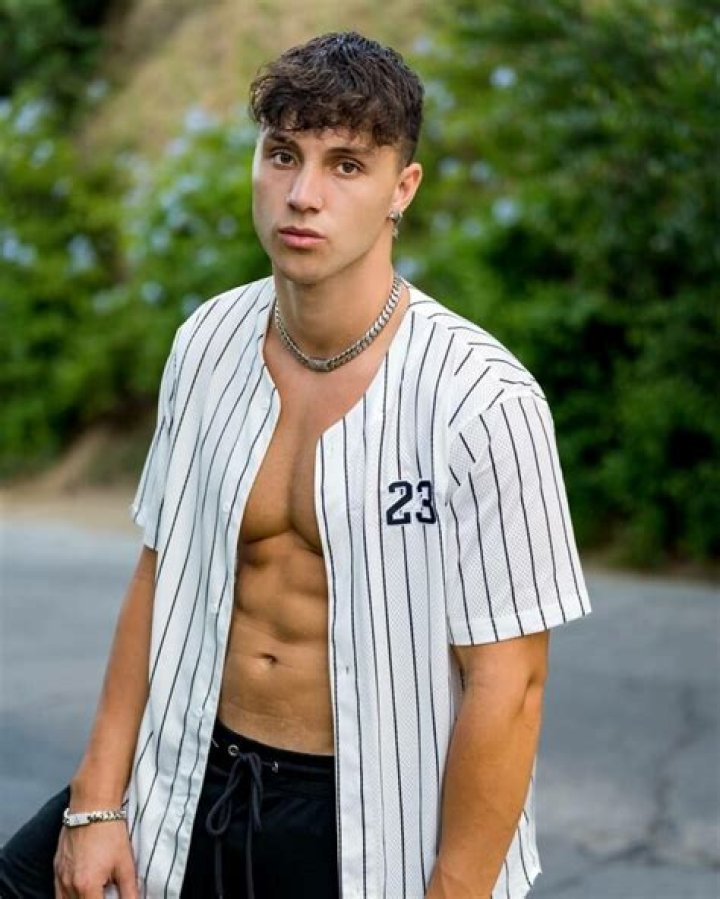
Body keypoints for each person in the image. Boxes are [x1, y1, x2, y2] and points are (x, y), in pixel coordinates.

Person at [0, 31, 591, 899]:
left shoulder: (482, 402)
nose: (303, 194)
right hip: (186, 771)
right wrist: (96, 800)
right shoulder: (207, 342)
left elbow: (510, 683)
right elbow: (159, 574)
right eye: (283, 155)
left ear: (402, 189)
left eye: (346, 165)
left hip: (365, 825)